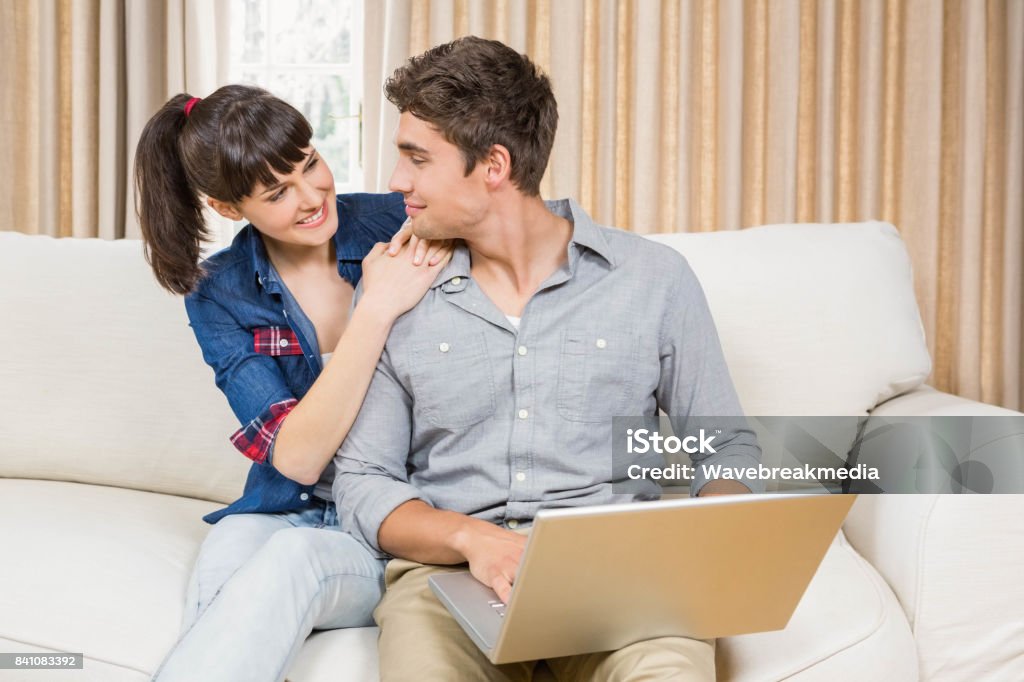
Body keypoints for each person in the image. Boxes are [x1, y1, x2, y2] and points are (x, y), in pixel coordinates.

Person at [332, 37, 763, 682]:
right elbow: (365, 478)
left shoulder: (653, 279)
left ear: (494, 165)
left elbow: (724, 444)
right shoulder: (397, 289)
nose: (397, 182)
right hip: (449, 581)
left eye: (417, 159)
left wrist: (711, 546)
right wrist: (471, 538)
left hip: (620, 582)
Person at [133, 84, 450, 682]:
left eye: (311, 165)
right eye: (278, 193)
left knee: (292, 559)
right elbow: (299, 458)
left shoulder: (396, 221)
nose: (312, 197)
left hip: (387, 514)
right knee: (227, 565)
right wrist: (374, 310)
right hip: (285, 506)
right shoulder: (219, 292)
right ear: (230, 209)